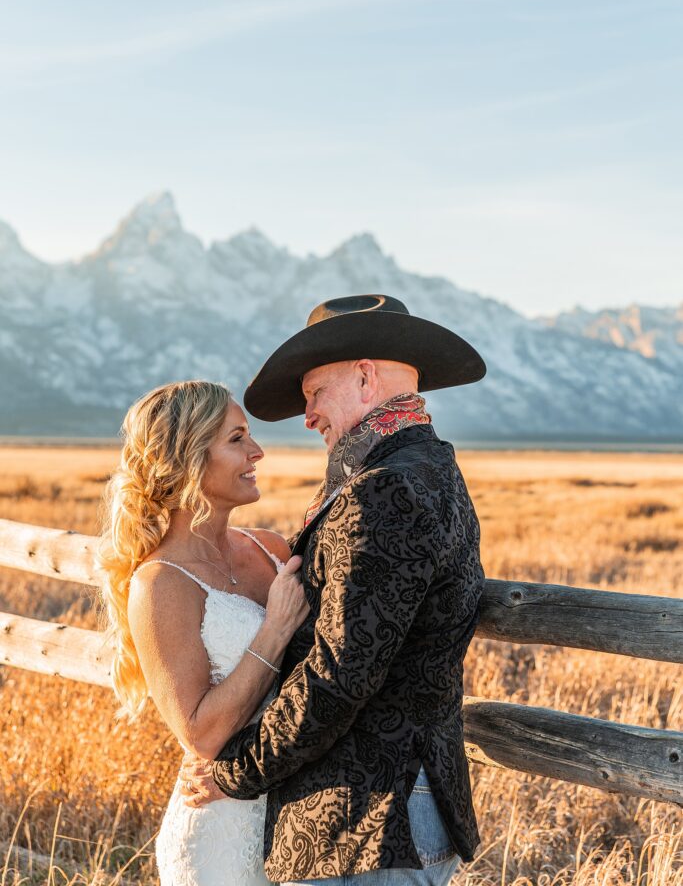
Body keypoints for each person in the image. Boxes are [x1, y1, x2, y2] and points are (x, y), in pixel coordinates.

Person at [182, 294, 487, 886]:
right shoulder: (430, 467)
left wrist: (235, 773)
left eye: (314, 394)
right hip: (390, 806)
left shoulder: (384, 491)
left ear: (366, 378)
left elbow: (339, 673)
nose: (309, 416)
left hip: (368, 815)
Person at [98, 379, 310, 886]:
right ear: (188, 457)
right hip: (219, 833)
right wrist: (275, 630)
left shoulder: (271, 550)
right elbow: (202, 733)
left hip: (299, 819)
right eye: (237, 439)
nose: (257, 451)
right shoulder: (160, 584)